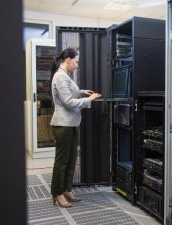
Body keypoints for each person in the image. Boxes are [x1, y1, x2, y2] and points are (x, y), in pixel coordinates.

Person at [50, 48, 101, 208]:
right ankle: (57, 193)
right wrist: (89, 100)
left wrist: (82, 91)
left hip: (71, 124)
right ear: (68, 60)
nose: (77, 65)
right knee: (62, 161)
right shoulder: (60, 76)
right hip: (63, 125)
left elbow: (70, 92)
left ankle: (66, 189)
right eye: (76, 61)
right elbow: (67, 101)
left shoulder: (64, 76)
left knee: (71, 160)